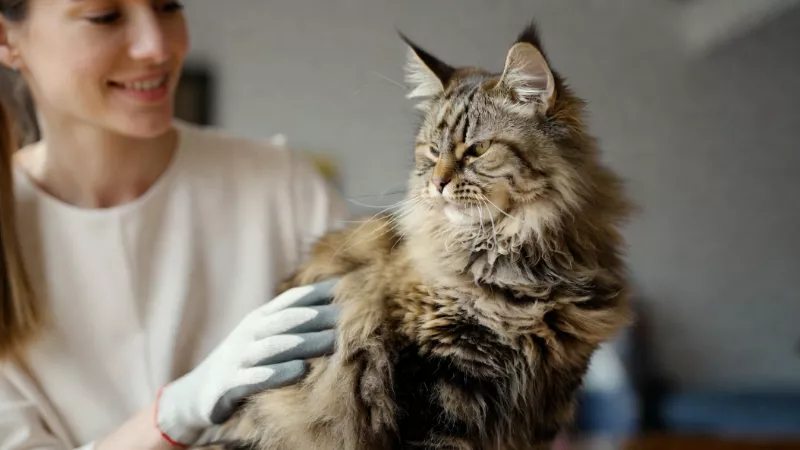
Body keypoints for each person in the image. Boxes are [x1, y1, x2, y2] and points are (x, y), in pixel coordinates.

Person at [0, 1, 350, 448]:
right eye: (105, 17)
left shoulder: (284, 187)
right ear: (7, 39)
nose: (158, 47)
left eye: (168, 6)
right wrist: (180, 408)